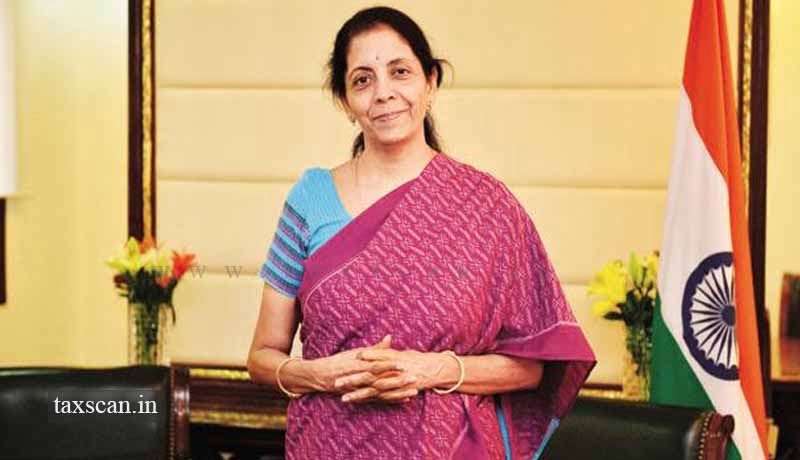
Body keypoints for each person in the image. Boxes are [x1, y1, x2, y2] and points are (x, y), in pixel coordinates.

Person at [247, 6, 596, 459]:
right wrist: (322, 375)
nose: (384, 93)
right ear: (345, 102)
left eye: (400, 72)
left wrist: (429, 369)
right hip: (327, 444)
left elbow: (531, 369)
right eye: (362, 80)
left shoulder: (488, 206)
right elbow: (263, 356)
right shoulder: (310, 200)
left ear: (430, 83)